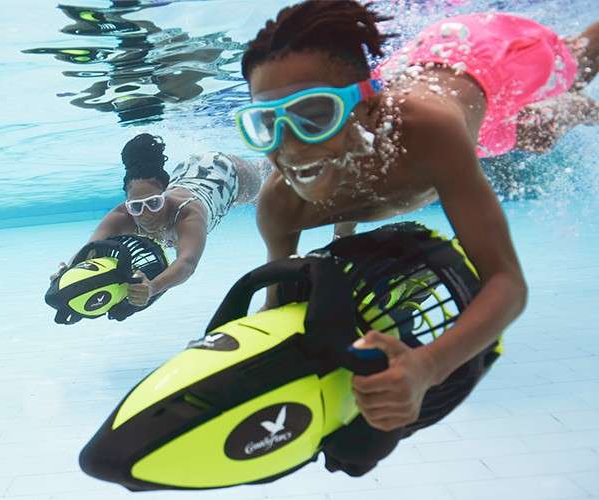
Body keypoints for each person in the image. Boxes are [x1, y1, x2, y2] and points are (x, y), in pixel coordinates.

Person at [237, 0, 598, 433]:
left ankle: (581, 103)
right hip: (449, 111)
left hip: (481, 60)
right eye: (265, 123)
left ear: (368, 106)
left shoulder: (430, 135)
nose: (289, 145)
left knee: (579, 62)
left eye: (315, 115)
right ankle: (579, 112)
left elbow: (508, 284)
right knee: (534, 135)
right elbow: (275, 304)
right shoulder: (281, 209)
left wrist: (428, 366)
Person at [51, 133, 268, 307]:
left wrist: (152, 287)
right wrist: (68, 269)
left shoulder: (188, 214)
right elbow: (91, 248)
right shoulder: (122, 216)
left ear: (165, 194)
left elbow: (187, 263)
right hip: (188, 171)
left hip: (227, 175)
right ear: (127, 203)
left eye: (154, 203)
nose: (145, 214)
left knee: (261, 193)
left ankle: (263, 167)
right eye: (136, 206)